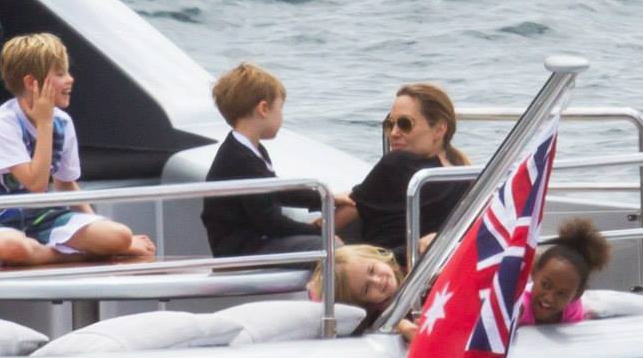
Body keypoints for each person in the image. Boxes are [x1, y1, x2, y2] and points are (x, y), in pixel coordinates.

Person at [0, 33, 156, 266]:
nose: (70, 79)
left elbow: (66, 184)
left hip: (42, 216)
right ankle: (70, 254)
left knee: (120, 235)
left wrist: (102, 231)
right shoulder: (3, 124)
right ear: (32, 83)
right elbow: (36, 184)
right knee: (12, 249)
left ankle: (45, 252)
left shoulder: (63, 122)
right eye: (61, 73)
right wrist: (44, 124)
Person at [201, 62, 337, 262]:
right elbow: (271, 223)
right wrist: (317, 231)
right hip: (243, 251)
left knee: (330, 239)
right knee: (329, 248)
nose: (281, 116)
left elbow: (275, 191)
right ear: (264, 109)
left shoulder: (250, 150)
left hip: (256, 242)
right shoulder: (240, 160)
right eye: (280, 108)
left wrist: (322, 198)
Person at [335, 83, 470, 265]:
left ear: (439, 129)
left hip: (382, 266)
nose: (394, 133)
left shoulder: (396, 164)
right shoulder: (463, 175)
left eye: (405, 124)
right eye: (390, 124)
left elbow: (333, 223)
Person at [306, 244, 416, 338]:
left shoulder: (413, 257)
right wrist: (402, 326)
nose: (378, 281)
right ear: (363, 303)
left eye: (372, 270)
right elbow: (392, 323)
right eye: (367, 288)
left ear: (376, 257)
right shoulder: (381, 317)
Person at [518, 219, 611, 326]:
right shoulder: (520, 308)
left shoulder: (572, 310)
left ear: (576, 295)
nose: (549, 298)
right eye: (545, 285)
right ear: (534, 273)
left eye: (561, 293)